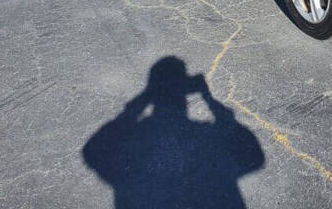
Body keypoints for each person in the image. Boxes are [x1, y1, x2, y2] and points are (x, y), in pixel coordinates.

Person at [82, 56, 264, 209]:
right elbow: (254, 155)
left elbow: (92, 149)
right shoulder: (206, 134)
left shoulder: (138, 134)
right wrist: (207, 97)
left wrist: (147, 95)